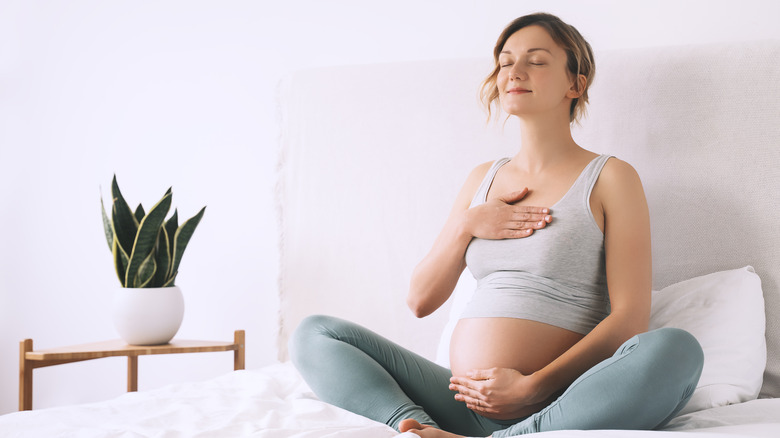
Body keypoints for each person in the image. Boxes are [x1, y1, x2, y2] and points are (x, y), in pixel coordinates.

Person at [290, 12, 704, 438]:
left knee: (677, 349)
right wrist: (466, 225)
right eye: (505, 62)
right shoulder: (482, 179)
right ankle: (418, 428)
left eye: (537, 61)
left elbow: (629, 319)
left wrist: (532, 387)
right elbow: (419, 301)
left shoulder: (611, 178)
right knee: (315, 333)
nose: (514, 72)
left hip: (561, 401)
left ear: (575, 84)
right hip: (459, 400)